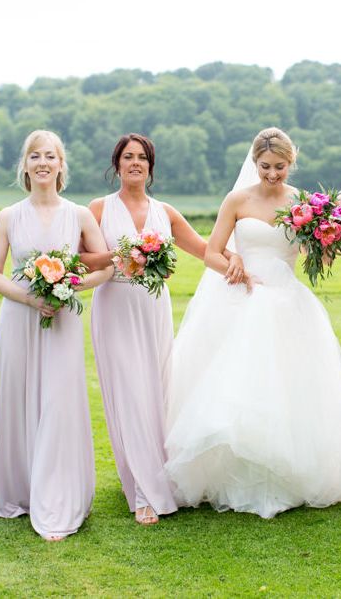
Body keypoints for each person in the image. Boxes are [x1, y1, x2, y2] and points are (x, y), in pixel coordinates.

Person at [164, 127, 341, 518]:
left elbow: (317, 258)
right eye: (265, 167)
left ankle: (286, 475)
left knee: (288, 387)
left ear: (291, 163)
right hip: (241, 296)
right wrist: (234, 262)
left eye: (279, 167)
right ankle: (234, 473)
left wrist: (329, 243)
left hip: (288, 300)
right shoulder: (237, 199)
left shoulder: (304, 203)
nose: (272, 174)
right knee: (238, 386)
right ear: (254, 163)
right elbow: (210, 252)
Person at [81, 133, 245, 526]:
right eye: (128, 157)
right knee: (128, 395)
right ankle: (142, 491)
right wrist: (121, 256)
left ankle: (156, 474)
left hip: (153, 309)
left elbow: (205, 250)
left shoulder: (166, 213)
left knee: (157, 392)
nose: (135, 163)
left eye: (142, 157)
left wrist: (238, 262)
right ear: (116, 164)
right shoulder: (98, 209)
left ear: (151, 167)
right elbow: (83, 259)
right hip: (114, 306)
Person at [0, 130, 113, 541]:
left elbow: (105, 268)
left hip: (62, 320)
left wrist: (69, 286)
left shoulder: (79, 214)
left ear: (61, 165)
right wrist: (31, 300)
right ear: (25, 166)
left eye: (51, 156)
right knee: (17, 400)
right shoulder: (8, 216)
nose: (43, 162)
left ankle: (58, 499)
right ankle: (17, 490)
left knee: (58, 402)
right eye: (35, 156)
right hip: (18, 318)